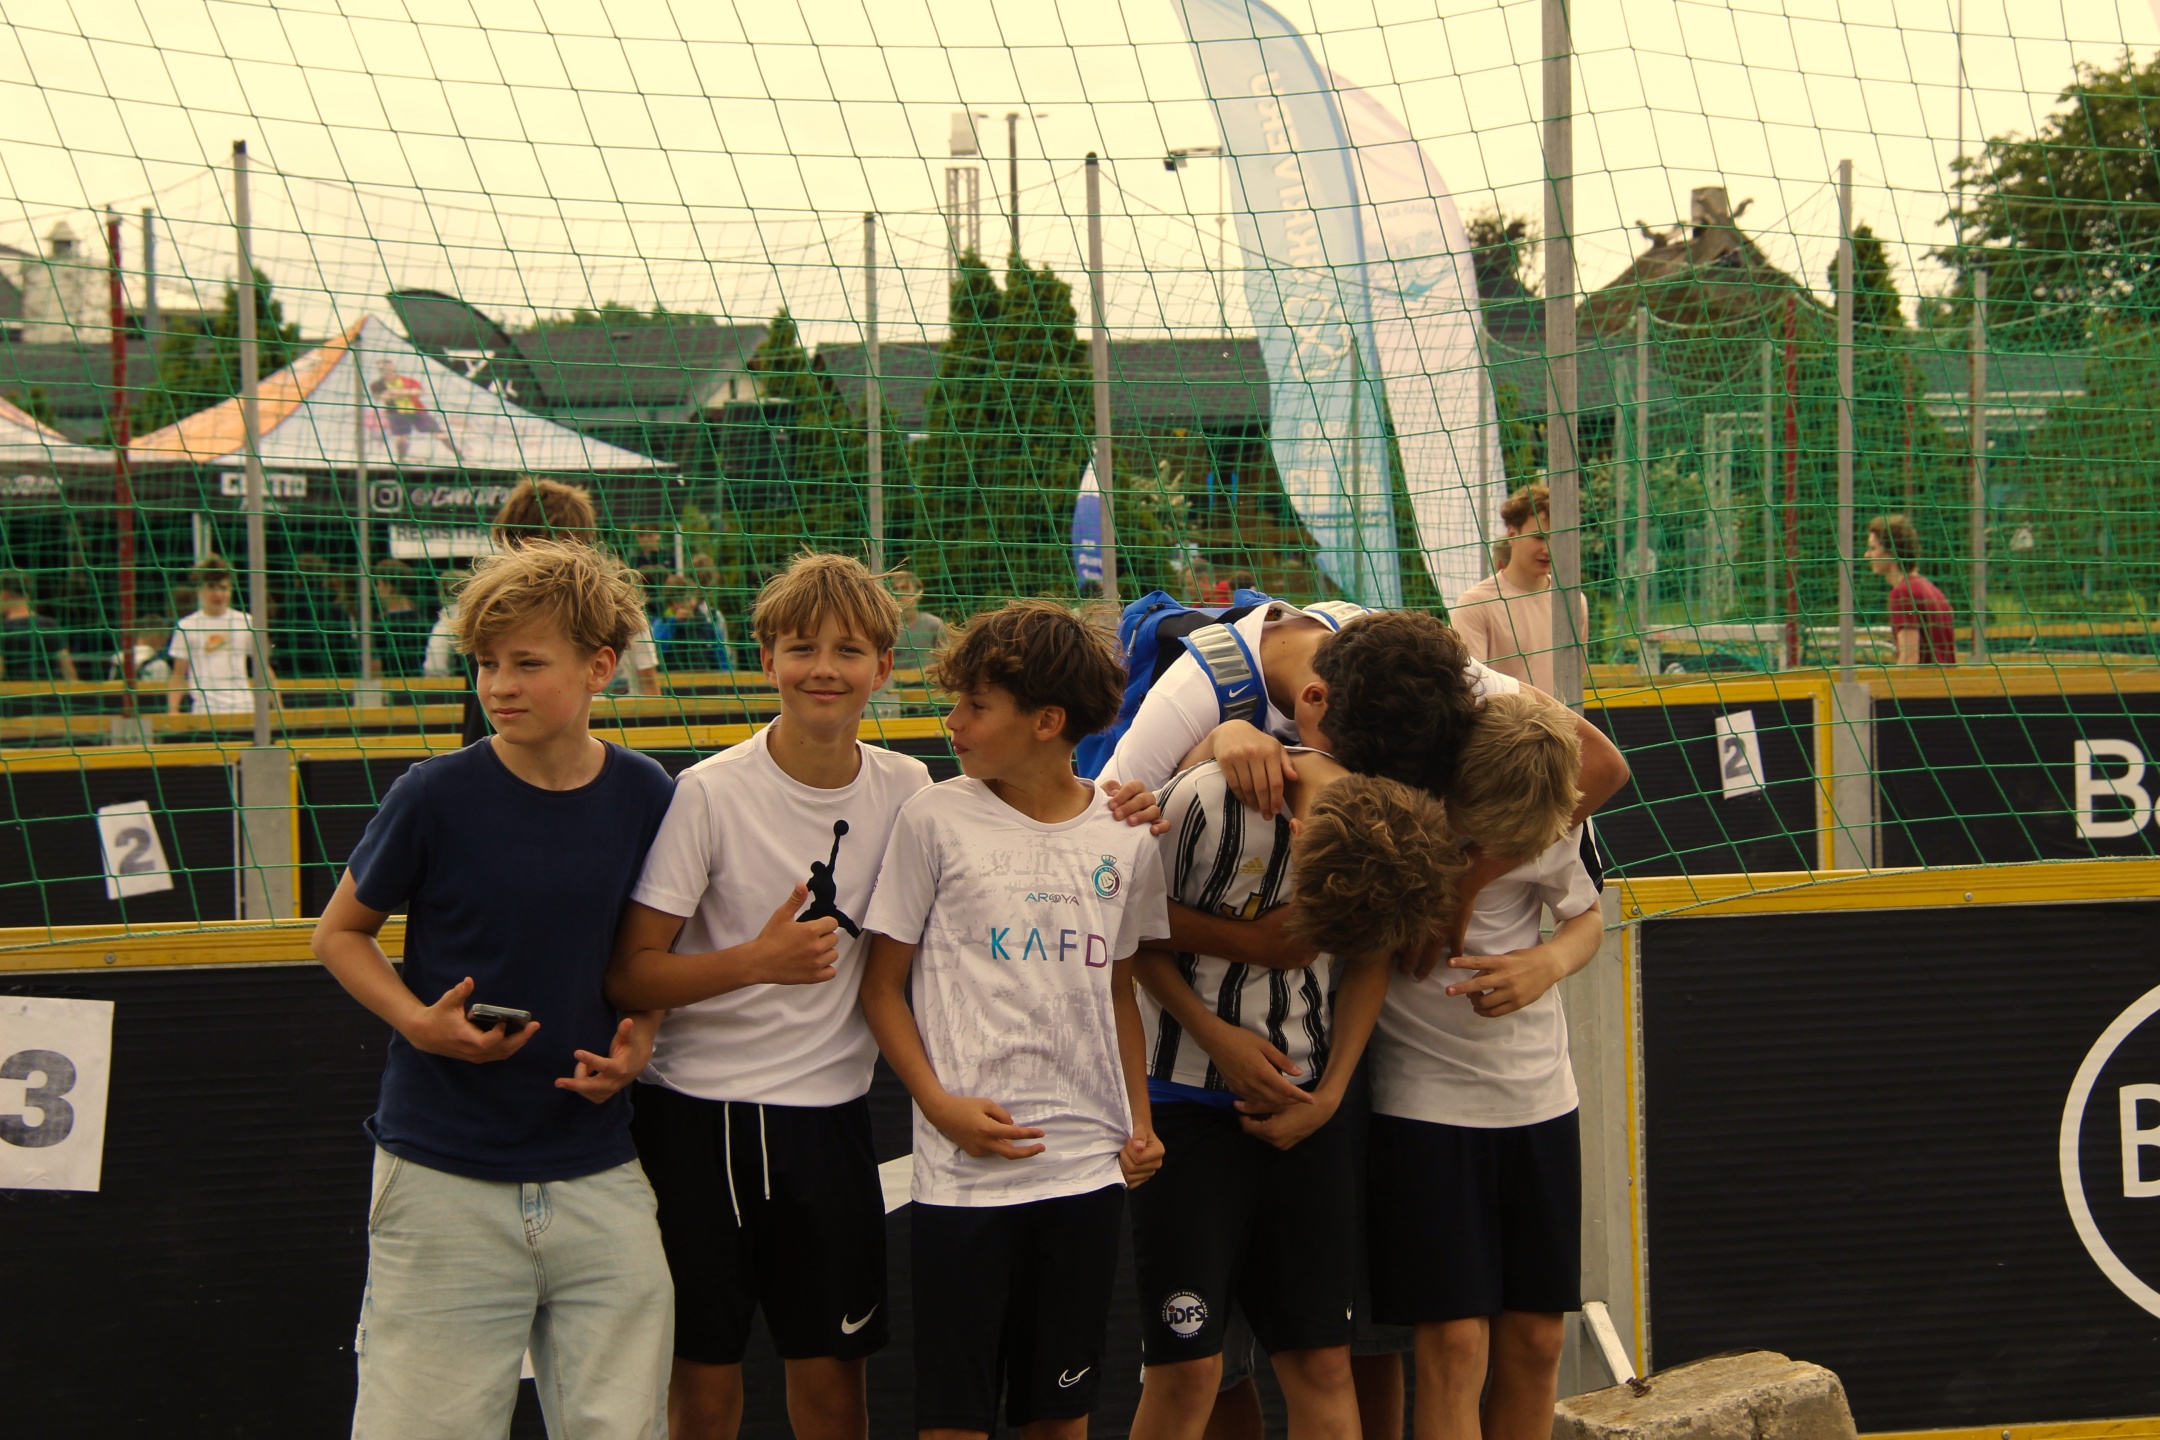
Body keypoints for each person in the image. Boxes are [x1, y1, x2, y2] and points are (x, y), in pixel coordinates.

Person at [309, 540, 676, 1440]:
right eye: (485, 663)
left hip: (598, 1170)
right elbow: (339, 934)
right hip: (443, 1173)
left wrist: (642, 1036)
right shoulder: (433, 795)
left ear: (600, 667)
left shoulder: (646, 793)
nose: (499, 685)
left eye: (526, 663)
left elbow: (653, 954)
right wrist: (418, 1023)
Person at [604, 553, 931, 1440]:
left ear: (884, 668)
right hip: (695, 1121)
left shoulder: (909, 789)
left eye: (848, 650)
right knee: (704, 1394)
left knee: (833, 1394)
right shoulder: (709, 793)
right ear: (766, 661)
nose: (824, 668)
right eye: (801, 648)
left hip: (828, 1125)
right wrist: (756, 961)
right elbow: (631, 973)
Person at [859, 600, 1171, 1440]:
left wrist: (1139, 1121)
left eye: (976, 705)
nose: (953, 722)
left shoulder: (1125, 833)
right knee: (953, 1421)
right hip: (964, 1179)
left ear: (1047, 722)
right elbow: (881, 988)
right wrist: (938, 1106)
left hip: (1085, 1175)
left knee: (1059, 1417)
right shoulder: (934, 817)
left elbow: (1119, 992)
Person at [1126, 754, 1464, 1440]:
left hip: (1305, 1116)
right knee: (1188, 1372)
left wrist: (1329, 1095)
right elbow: (1123, 928)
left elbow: (1367, 960)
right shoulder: (1204, 802)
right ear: (1300, 839)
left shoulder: (1386, 833)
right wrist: (1215, 1036)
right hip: (1183, 1105)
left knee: (1323, 1364)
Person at [1366, 692, 1602, 1440]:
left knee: (1537, 1341)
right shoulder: (1400, 805)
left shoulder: (1552, 805)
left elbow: (1587, 916)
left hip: (1539, 1097)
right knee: (1455, 1346)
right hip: (1424, 1102)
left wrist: (1547, 963)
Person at [460, 479, 662, 745]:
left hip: (610, 741)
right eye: (488, 664)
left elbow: (650, 686)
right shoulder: (492, 612)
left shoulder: (614, 608)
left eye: (530, 664)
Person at [1450, 483, 1590, 698]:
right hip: (1506, 720)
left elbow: (1577, 676)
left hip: (1561, 719)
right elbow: (1472, 690)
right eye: (1538, 537)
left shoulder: (1573, 600)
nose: (1547, 549)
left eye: (1556, 538)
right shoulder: (1476, 604)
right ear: (1512, 533)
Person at [167, 556, 275, 716]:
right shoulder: (186, 626)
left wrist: (279, 707)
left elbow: (263, 668)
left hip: (244, 710)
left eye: (223, 588)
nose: (217, 594)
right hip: (204, 712)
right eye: (211, 587)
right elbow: (178, 674)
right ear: (200, 589)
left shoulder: (246, 622)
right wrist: (173, 711)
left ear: (231, 589)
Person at [1867, 514, 1955, 665]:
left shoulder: (1903, 594)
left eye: (1873, 548)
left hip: (1925, 680)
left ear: (1891, 551)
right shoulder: (1932, 591)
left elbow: (1909, 658)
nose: (1867, 555)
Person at [0, 569, 79, 687]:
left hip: (17, 693)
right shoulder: (49, 624)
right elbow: (66, 666)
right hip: (50, 691)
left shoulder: (2, 629)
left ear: (5, 595)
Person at [649, 575, 730, 677]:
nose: (688, 604)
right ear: (670, 605)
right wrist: (673, 622)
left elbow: (723, 662)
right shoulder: (661, 625)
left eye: (690, 598)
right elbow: (655, 652)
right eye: (681, 600)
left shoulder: (708, 628)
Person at [371, 558, 433, 680]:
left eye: (379, 584)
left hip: (391, 686)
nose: (377, 589)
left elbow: (374, 668)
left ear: (390, 587)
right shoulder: (423, 622)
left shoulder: (381, 626)